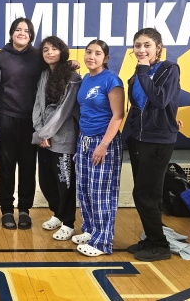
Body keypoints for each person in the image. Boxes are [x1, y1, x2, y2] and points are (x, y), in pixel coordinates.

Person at [125, 28, 181, 262]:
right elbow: (138, 106)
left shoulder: (168, 69)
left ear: (158, 47)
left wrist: (144, 71)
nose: (141, 50)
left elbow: (159, 100)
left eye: (147, 45)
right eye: (137, 45)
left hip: (157, 141)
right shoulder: (138, 73)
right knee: (146, 194)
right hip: (139, 139)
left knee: (145, 194)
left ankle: (160, 245)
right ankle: (150, 238)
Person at [72, 39, 124, 257]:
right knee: (84, 188)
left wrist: (103, 144)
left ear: (106, 58)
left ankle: (102, 242)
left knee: (101, 192)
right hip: (84, 139)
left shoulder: (112, 81)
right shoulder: (86, 78)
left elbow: (118, 115)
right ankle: (92, 230)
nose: (91, 57)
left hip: (104, 142)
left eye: (97, 53)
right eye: (88, 52)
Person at [0, 17, 45, 230]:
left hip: (31, 120)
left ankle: (24, 210)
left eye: (25, 30)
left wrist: (70, 64)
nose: (21, 33)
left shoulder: (38, 56)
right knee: (6, 167)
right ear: (11, 33)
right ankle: (6, 209)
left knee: (26, 167)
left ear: (31, 35)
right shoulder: (0, 57)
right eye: (17, 29)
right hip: (6, 118)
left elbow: (55, 67)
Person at [32, 36, 81, 241]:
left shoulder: (73, 77)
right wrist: (39, 131)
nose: (49, 52)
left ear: (62, 51)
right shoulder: (44, 74)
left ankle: (68, 222)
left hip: (63, 139)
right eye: (45, 50)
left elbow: (63, 111)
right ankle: (58, 214)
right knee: (46, 181)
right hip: (44, 139)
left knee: (65, 183)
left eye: (54, 49)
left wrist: (44, 134)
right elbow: (37, 105)